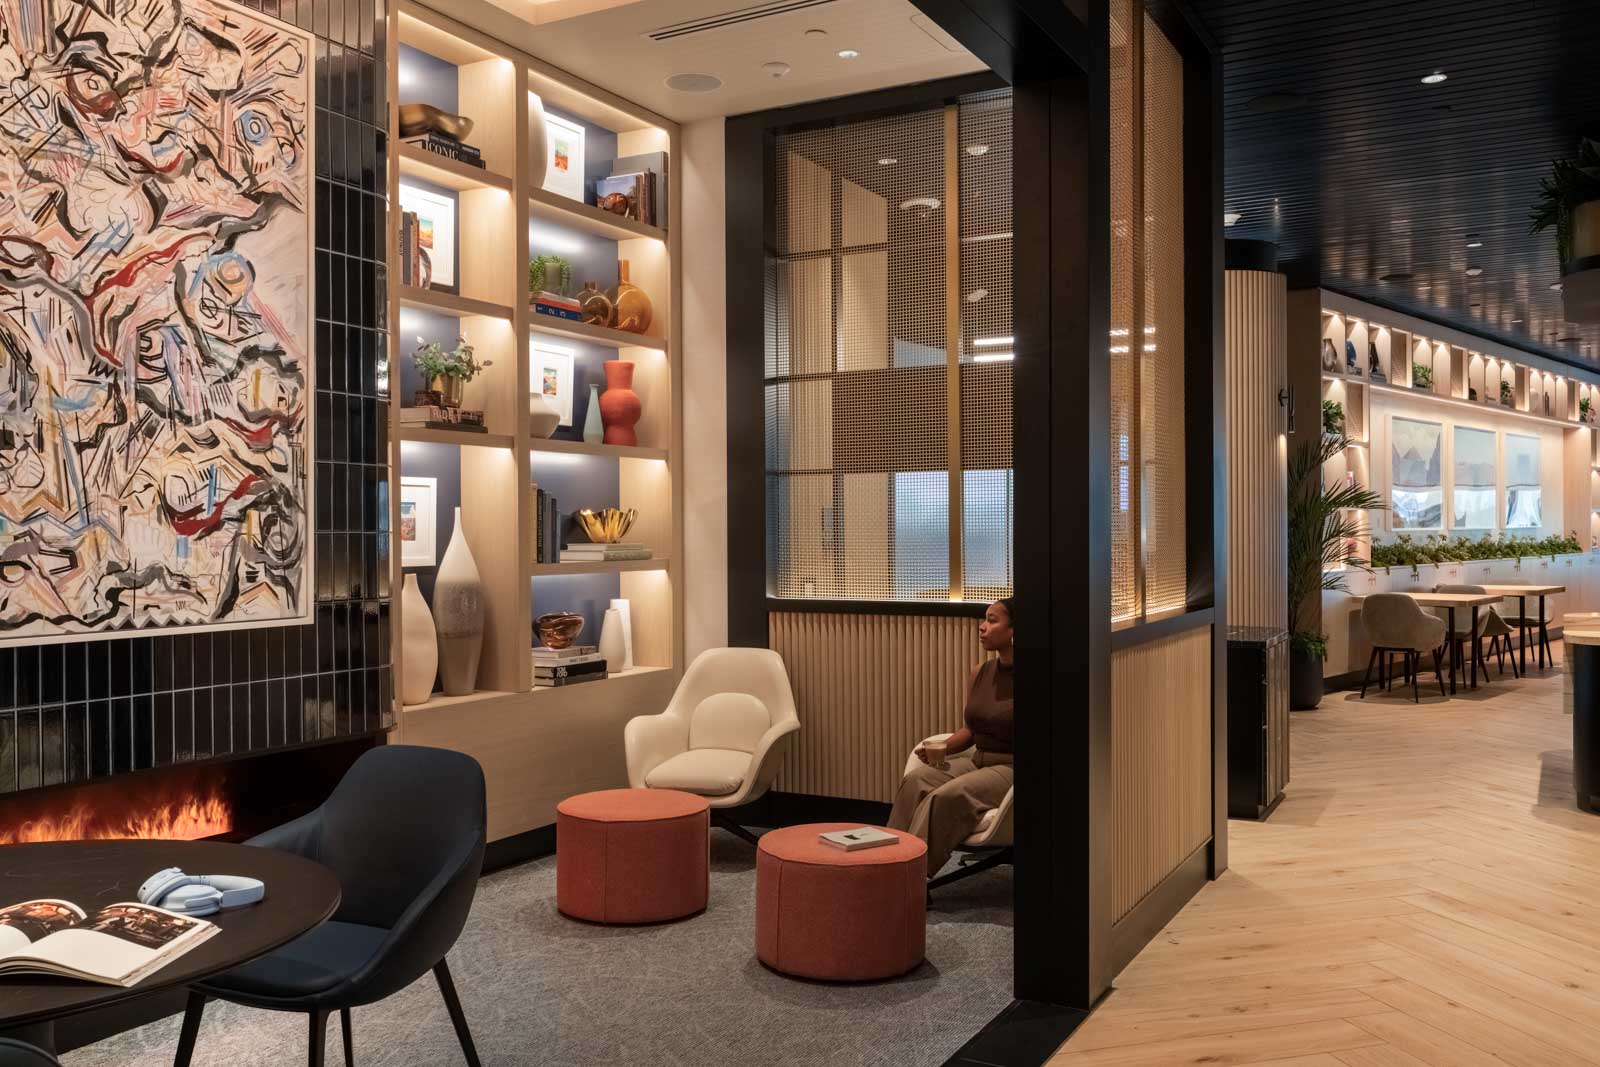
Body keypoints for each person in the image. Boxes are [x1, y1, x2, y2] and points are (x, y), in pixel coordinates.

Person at [887, 597, 1014, 876]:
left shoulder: (1039, 676)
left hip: (1011, 768)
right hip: (978, 760)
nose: (982, 627)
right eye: (984, 619)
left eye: (992, 621)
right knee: (915, 781)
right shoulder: (980, 672)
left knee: (944, 796)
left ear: (1014, 630)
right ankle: (886, 863)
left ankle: (909, 879)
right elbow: (971, 731)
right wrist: (943, 747)